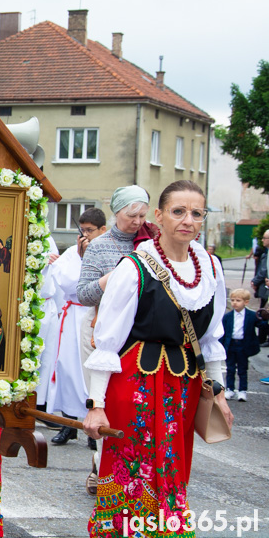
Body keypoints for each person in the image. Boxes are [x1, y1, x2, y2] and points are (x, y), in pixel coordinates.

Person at [84, 180, 233, 536]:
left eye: (197, 213)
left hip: (184, 386)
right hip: (135, 383)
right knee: (133, 469)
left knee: (173, 469)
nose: (188, 220)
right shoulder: (135, 266)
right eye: (178, 211)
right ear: (160, 216)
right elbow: (107, 341)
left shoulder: (210, 268)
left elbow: (211, 338)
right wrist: (96, 403)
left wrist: (219, 392)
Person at [77, 185, 151, 470]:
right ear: (116, 212)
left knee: (132, 401)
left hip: (138, 331)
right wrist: (115, 278)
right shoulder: (99, 245)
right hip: (100, 328)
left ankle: (131, 461)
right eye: (131, 215)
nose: (137, 222)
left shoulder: (151, 242)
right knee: (101, 398)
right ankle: (102, 460)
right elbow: (83, 293)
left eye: (142, 215)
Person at [39, 208, 107, 445]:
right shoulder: (72, 253)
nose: (86, 236)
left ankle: (93, 426)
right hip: (72, 315)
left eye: (91, 231)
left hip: (96, 315)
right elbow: (66, 283)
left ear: (103, 231)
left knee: (89, 371)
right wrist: (79, 257)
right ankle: (69, 424)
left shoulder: (107, 253)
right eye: (83, 230)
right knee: (67, 369)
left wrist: (89, 257)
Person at [222, 288, 261, 402]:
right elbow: (223, 332)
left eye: (238, 300)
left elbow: (261, 325)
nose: (234, 303)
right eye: (232, 300)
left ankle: (242, 390)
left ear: (246, 302)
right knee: (230, 368)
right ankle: (229, 389)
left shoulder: (252, 315)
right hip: (231, 345)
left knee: (243, 369)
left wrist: (264, 317)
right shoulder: (227, 316)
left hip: (243, 345)